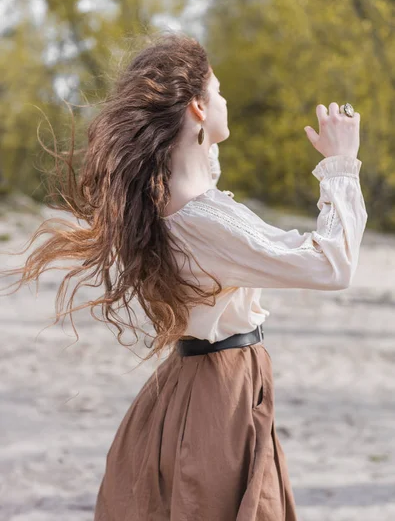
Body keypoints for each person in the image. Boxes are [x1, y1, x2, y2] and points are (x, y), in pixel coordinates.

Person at [0, 31, 368, 520]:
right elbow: (331, 265)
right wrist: (340, 164)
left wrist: (196, 131)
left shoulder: (170, 199)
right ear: (196, 107)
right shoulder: (203, 219)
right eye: (216, 92)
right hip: (219, 398)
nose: (226, 99)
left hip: (198, 385)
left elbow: (200, 165)